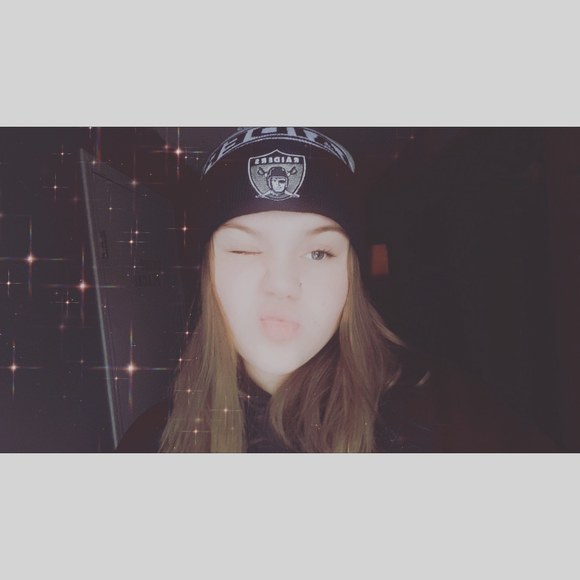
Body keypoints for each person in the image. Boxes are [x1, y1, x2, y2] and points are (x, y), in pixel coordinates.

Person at [116, 127, 559, 453]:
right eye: (246, 250)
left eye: (318, 253)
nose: (282, 284)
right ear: (207, 270)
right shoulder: (153, 444)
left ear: (353, 273)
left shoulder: (448, 420)